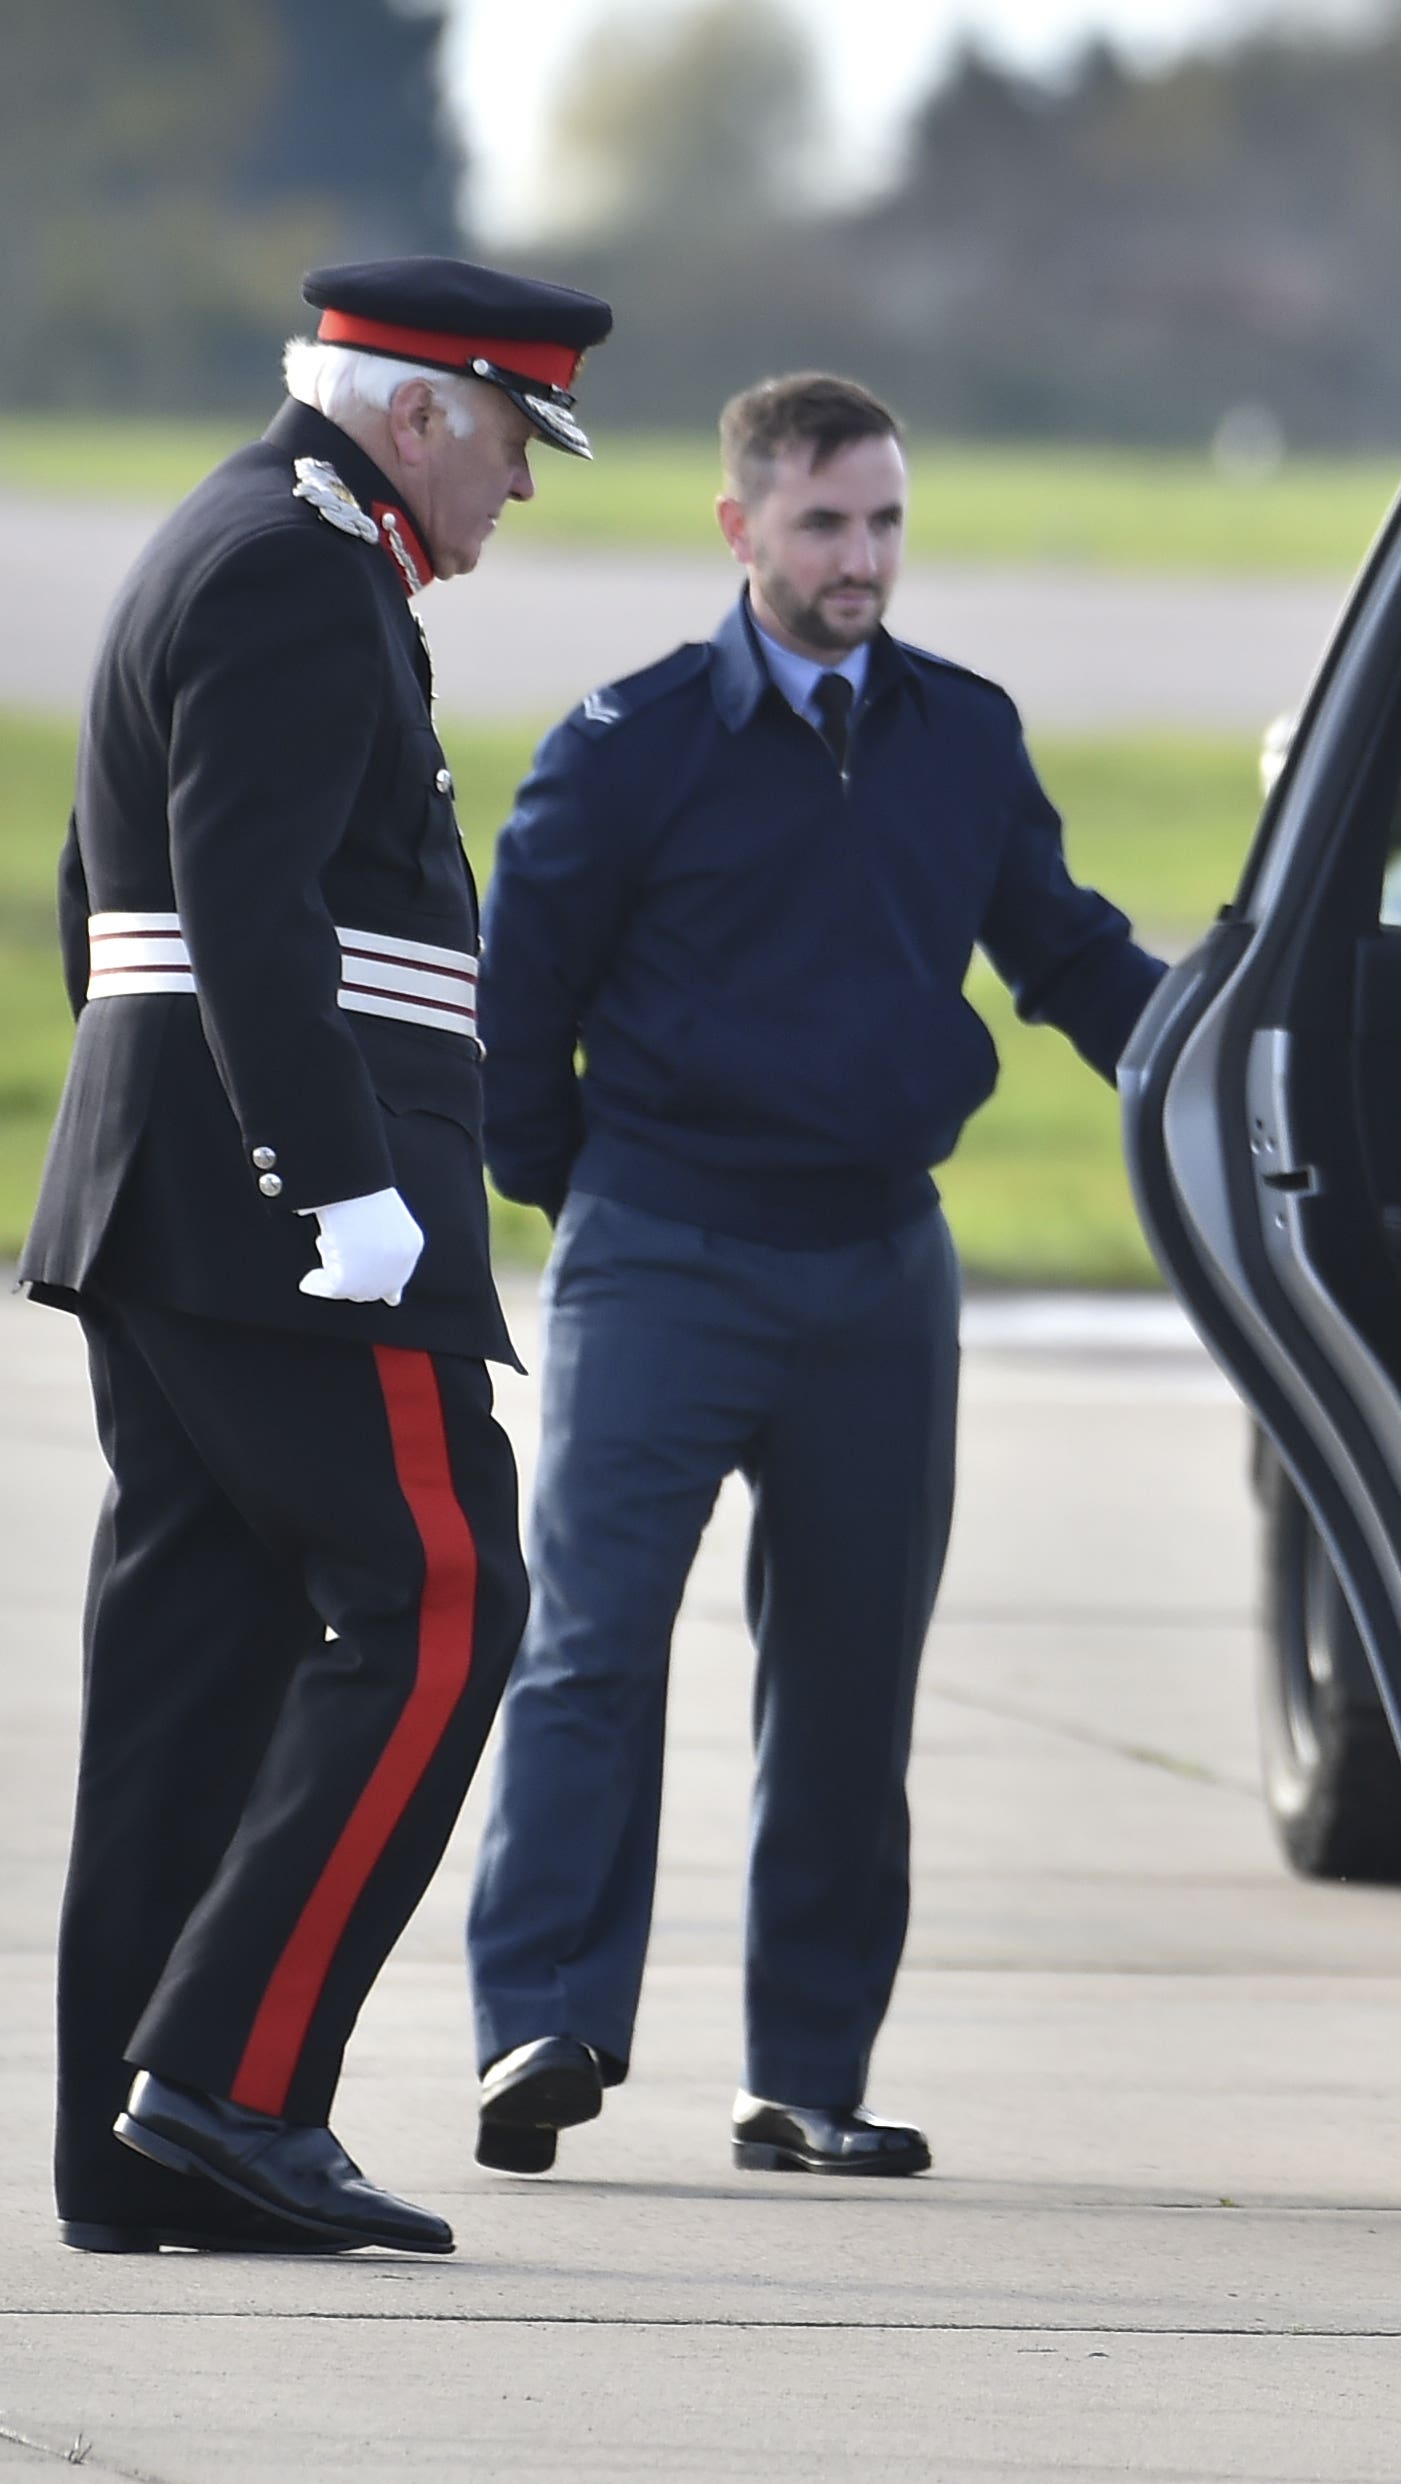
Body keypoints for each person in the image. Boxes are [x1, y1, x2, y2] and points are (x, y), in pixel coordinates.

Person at [461, 373, 1166, 2181]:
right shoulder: (625, 746)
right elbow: (513, 1011)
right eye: (828, 524)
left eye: (887, 523)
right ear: (742, 529)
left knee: (852, 1679)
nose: (865, 559)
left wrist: (1215, 1062)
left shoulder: (963, 734)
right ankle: (542, 2021)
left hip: (878, 1271)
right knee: (590, 1650)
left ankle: (810, 2078)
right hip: (662, 1255)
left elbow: (1069, 953)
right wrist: (592, 1198)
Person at [31, 256, 609, 2257]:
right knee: (444, 1588)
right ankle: (234, 2086)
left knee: (198, 1663)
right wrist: (334, 1185)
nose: (522, 486)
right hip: (293, 1222)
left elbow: (92, 893)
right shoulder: (295, 567)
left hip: (181, 1202)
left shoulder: (246, 537)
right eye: (517, 438)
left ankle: (138, 2149)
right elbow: (243, 908)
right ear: (426, 411)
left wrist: (168, 1156)